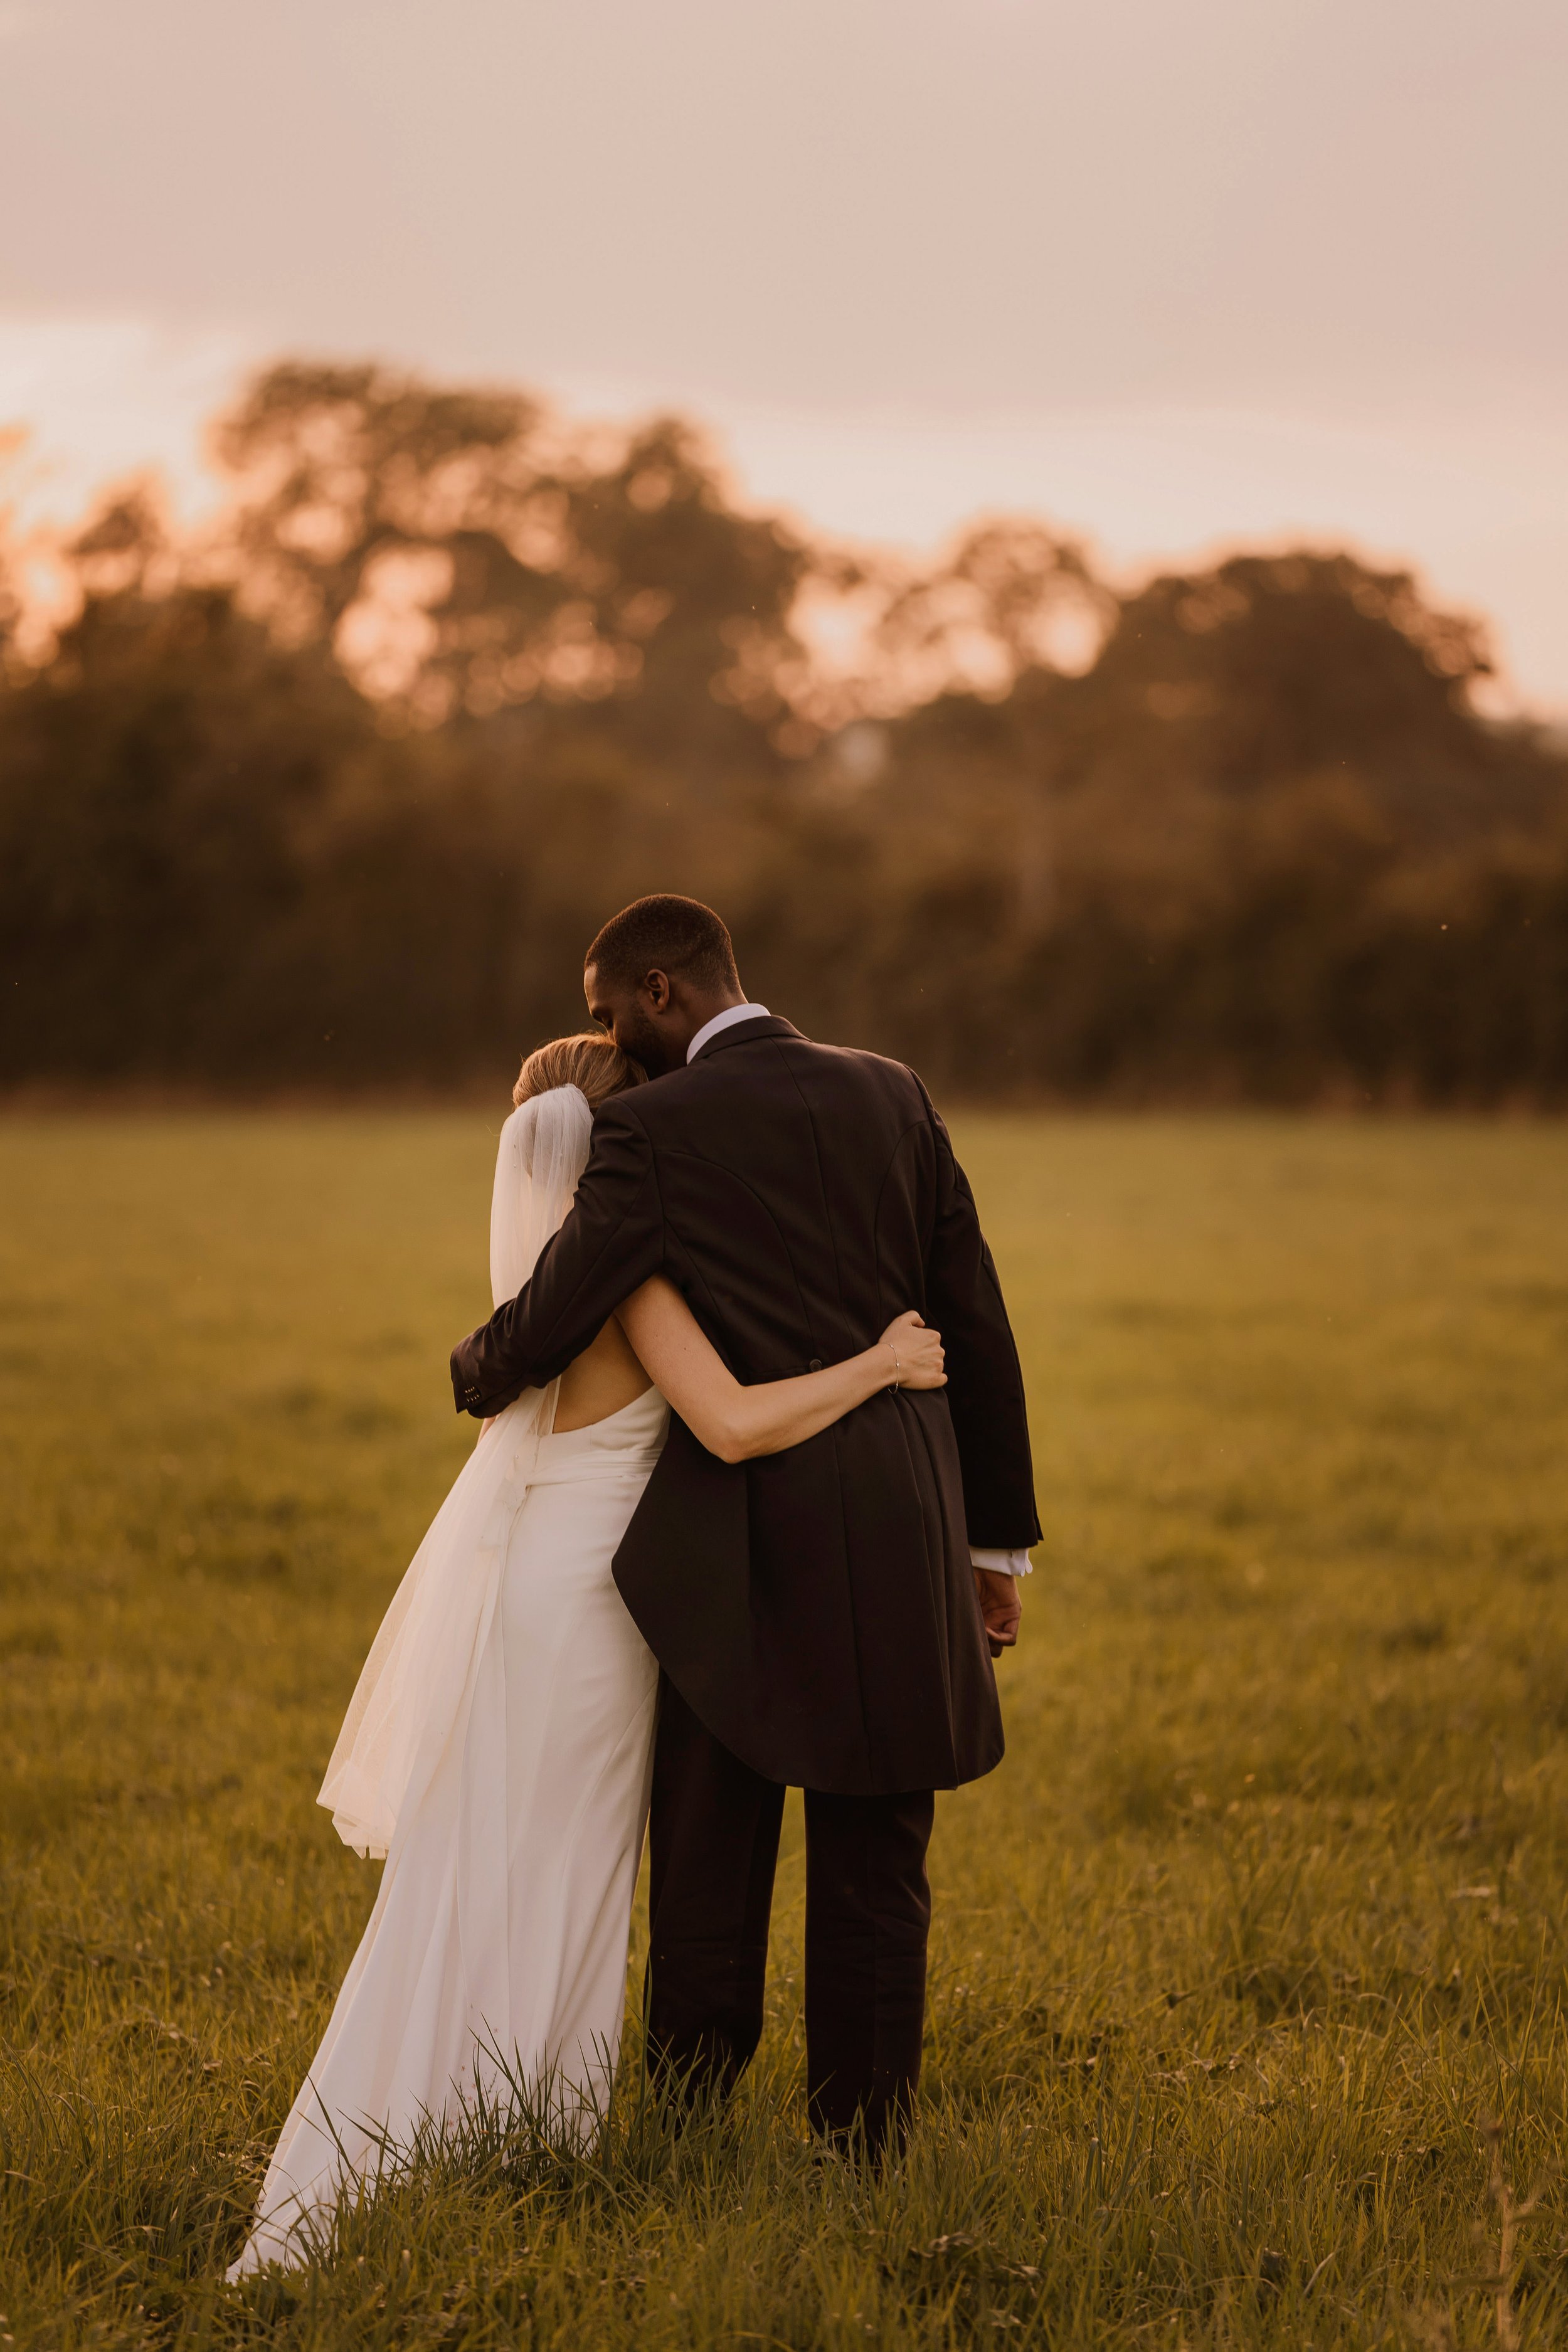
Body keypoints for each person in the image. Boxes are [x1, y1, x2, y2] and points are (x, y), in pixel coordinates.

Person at [231, 1032, 946, 2275]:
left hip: (538, 1582)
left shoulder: (546, 1274)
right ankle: (483, 2133)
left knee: (496, 1869)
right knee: (551, 1870)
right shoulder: (632, 1278)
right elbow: (727, 1423)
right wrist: (881, 1362)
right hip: (587, 1610)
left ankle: (492, 2131)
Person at [450, 895, 1039, 2158]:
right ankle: (860, 2146)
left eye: (612, 1013)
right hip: (898, 1516)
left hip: (729, 1529)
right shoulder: (894, 1090)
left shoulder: (648, 1133)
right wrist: (992, 1550)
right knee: (876, 1851)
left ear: (661, 993)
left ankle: (683, 2113)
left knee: (712, 1845)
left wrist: (466, 1368)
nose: (609, 1039)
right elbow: (972, 1319)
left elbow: (547, 1323)